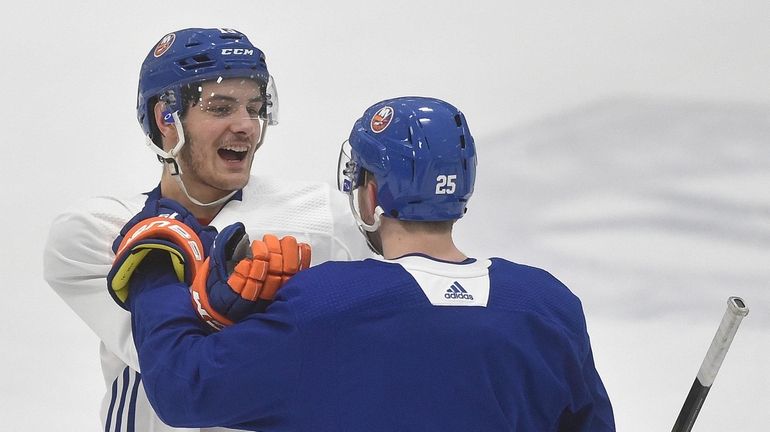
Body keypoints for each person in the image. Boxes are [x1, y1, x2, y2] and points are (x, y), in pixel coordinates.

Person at [116, 96, 616, 431]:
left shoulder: (328, 303)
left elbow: (186, 387)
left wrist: (156, 267)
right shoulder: (547, 304)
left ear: (370, 192)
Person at [43, 27, 369, 432]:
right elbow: (182, 367)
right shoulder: (96, 231)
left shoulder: (325, 216)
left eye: (254, 107)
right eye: (221, 108)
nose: (247, 125)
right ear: (167, 119)